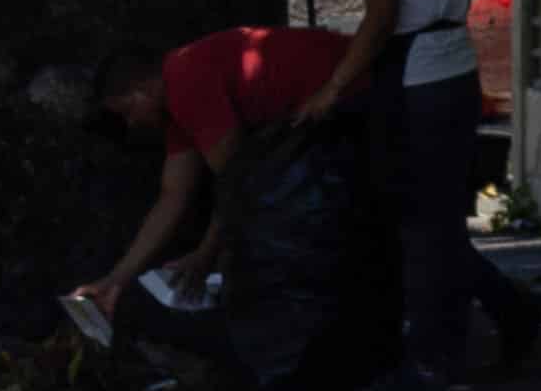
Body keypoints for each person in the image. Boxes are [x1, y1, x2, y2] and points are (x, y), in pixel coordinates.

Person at [317, 0, 532, 391]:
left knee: (419, 225)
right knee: (437, 220)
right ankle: (510, 308)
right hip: (459, 65)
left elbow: (381, 15)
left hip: (416, 76)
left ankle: (434, 360)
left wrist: (335, 86)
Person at [78, 20, 354, 340]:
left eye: (128, 110)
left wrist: (207, 250)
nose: (132, 123)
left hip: (351, 88)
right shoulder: (176, 107)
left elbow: (236, 178)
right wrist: (115, 280)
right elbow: (173, 195)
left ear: (145, 88)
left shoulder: (186, 81)